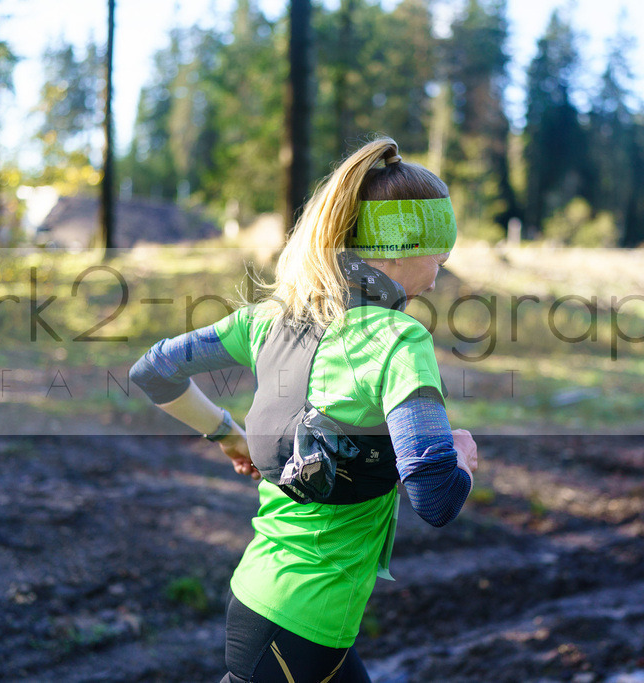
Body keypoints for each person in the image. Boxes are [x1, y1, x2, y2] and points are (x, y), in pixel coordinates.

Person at [130, 137, 478, 682]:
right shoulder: (397, 339)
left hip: (261, 598)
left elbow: (153, 370)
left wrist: (228, 435)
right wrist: (459, 456)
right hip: (301, 630)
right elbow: (435, 495)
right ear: (406, 244)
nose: (444, 263)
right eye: (442, 247)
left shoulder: (267, 320)